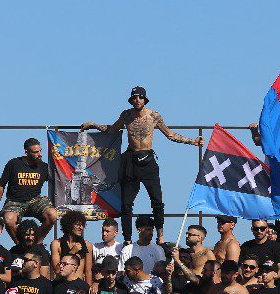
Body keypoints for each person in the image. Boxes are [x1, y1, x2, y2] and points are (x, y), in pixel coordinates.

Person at [81, 86, 203, 244]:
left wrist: (193, 142)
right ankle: (127, 239)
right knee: (126, 203)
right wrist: (94, 124)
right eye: (134, 98)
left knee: (157, 200)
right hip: (131, 161)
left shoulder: (153, 115)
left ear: (145, 99)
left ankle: (160, 235)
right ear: (131, 100)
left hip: (147, 161)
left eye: (140, 97)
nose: (137, 100)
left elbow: (170, 134)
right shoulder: (126, 115)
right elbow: (112, 130)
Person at [0, 138, 56, 243]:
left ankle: (36, 243)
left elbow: (59, 180)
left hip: (35, 200)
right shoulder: (14, 164)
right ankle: (20, 244)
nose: (39, 154)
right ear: (27, 152)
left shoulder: (44, 167)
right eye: (36, 152)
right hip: (15, 201)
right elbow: (1, 186)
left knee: (52, 214)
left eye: (40, 151)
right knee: (8, 219)